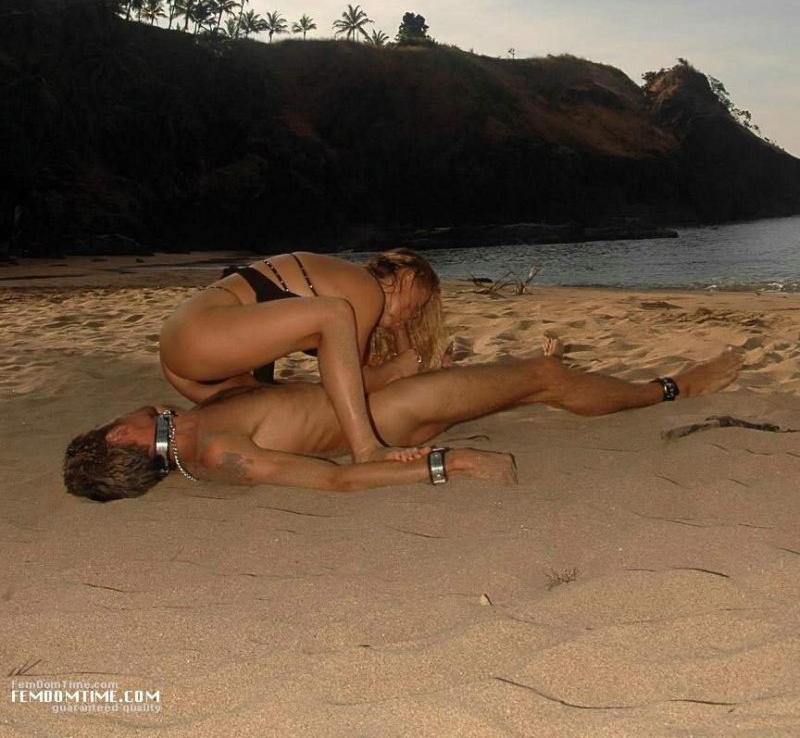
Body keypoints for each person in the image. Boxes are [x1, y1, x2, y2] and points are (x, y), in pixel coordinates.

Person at [63, 342, 742, 501]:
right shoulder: (215, 454)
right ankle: (675, 388)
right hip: (400, 415)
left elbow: (297, 396)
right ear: (120, 437)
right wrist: (451, 464)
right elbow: (335, 481)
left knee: (519, 386)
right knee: (544, 377)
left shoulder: (194, 428)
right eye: (112, 421)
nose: (121, 414)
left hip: (390, 402)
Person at [158, 248, 447, 466]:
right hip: (198, 336)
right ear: (406, 277)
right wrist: (397, 368)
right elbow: (361, 384)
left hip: (195, 364)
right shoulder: (365, 288)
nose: (413, 315)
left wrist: (399, 340)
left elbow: (357, 385)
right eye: (416, 306)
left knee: (302, 400)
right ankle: (366, 450)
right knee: (334, 313)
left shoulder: (346, 286)